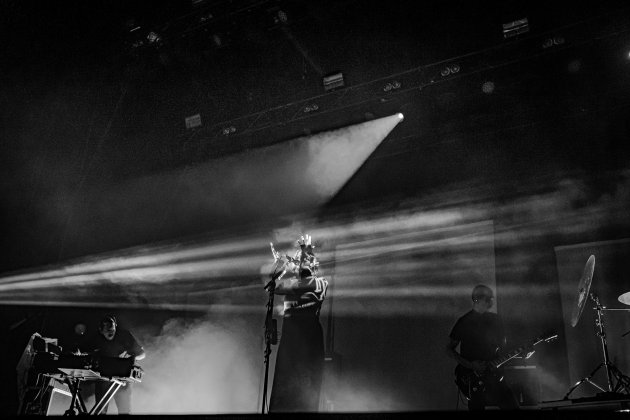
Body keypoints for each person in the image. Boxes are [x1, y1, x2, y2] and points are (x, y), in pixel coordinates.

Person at [267, 234, 328, 412]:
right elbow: (272, 287)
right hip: (293, 340)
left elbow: (282, 286)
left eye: (306, 260)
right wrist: (284, 264)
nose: (303, 262)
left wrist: (301, 256)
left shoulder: (318, 283)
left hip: (306, 340)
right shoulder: (295, 283)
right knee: (288, 386)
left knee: (305, 385)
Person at [445, 284, 521, 410]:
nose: (491, 301)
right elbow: (448, 349)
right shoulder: (464, 321)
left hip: (494, 375)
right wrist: (471, 365)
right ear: (477, 299)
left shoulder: (496, 320)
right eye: (488, 298)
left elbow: (504, 348)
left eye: (491, 298)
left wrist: (521, 352)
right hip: (472, 377)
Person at [89, 315, 145, 415]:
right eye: (107, 330)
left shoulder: (124, 335)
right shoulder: (96, 339)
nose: (111, 332)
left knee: (124, 410)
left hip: (123, 378)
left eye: (112, 329)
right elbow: (85, 353)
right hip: (103, 377)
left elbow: (142, 354)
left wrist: (131, 358)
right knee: (100, 410)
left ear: (116, 326)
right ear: (101, 330)